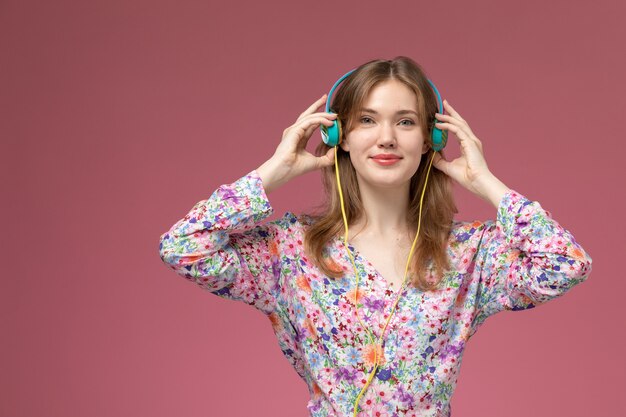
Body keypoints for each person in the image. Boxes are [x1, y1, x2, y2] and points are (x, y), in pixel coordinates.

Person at [158, 56, 592, 417]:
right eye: (367, 120)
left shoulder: (468, 253)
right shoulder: (290, 250)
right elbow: (183, 248)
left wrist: (485, 182)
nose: (386, 138)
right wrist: (273, 172)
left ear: (430, 139)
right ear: (339, 135)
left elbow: (565, 264)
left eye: (405, 122)